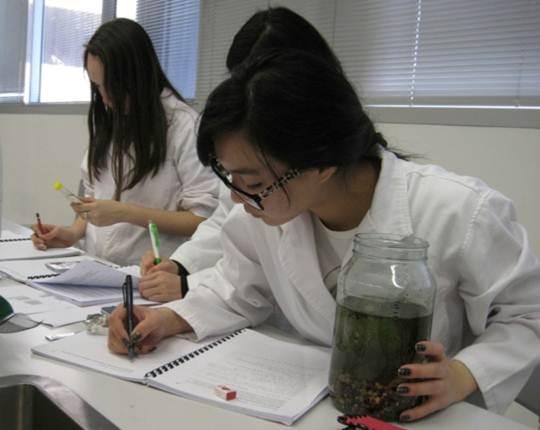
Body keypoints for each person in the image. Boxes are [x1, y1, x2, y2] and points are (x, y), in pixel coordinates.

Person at [108, 51, 540, 422]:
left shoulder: (459, 212)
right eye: (230, 178)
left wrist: (466, 373)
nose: (239, 201)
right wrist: (167, 319)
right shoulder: (269, 214)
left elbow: (526, 318)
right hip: (320, 407)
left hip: (424, 417)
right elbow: (237, 290)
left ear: (322, 162)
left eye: (254, 183)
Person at [137, 6, 345, 301]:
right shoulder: (253, 165)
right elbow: (228, 223)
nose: (249, 93)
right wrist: (182, 268)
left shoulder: (313, 161)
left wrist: (187, 285)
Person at [30, 18, 219, 266]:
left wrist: (125, 213)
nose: (106, 98)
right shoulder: (112, 119)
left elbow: (203, 220)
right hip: (98, 269)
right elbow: (94, 198)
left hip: (151, 277)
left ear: (138, 76)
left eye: (113, 86)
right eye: (98, 87)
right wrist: (72, 233)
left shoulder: (183, 126)